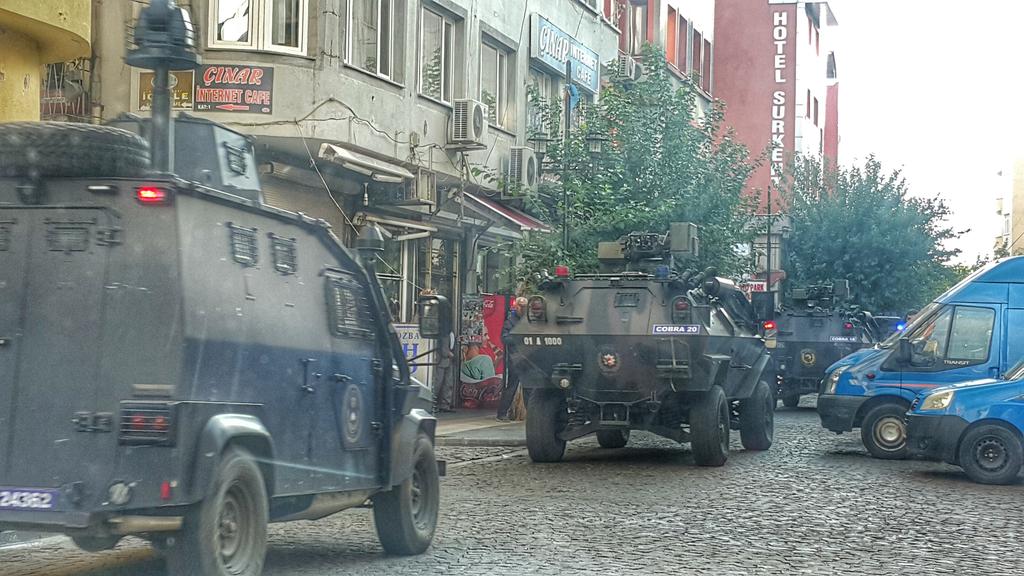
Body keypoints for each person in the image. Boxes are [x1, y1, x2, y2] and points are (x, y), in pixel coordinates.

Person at [497, 296, 527, 420]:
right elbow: (504, 338)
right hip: (515, 358)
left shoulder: (529, 320)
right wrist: (518, 338)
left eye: (526, 307)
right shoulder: (510, 321)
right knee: (512, 387)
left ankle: (533, 415)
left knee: (529, 388)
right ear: (517, 306)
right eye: (522, 307)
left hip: (528, 358)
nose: (524, 309)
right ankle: (502, 413)